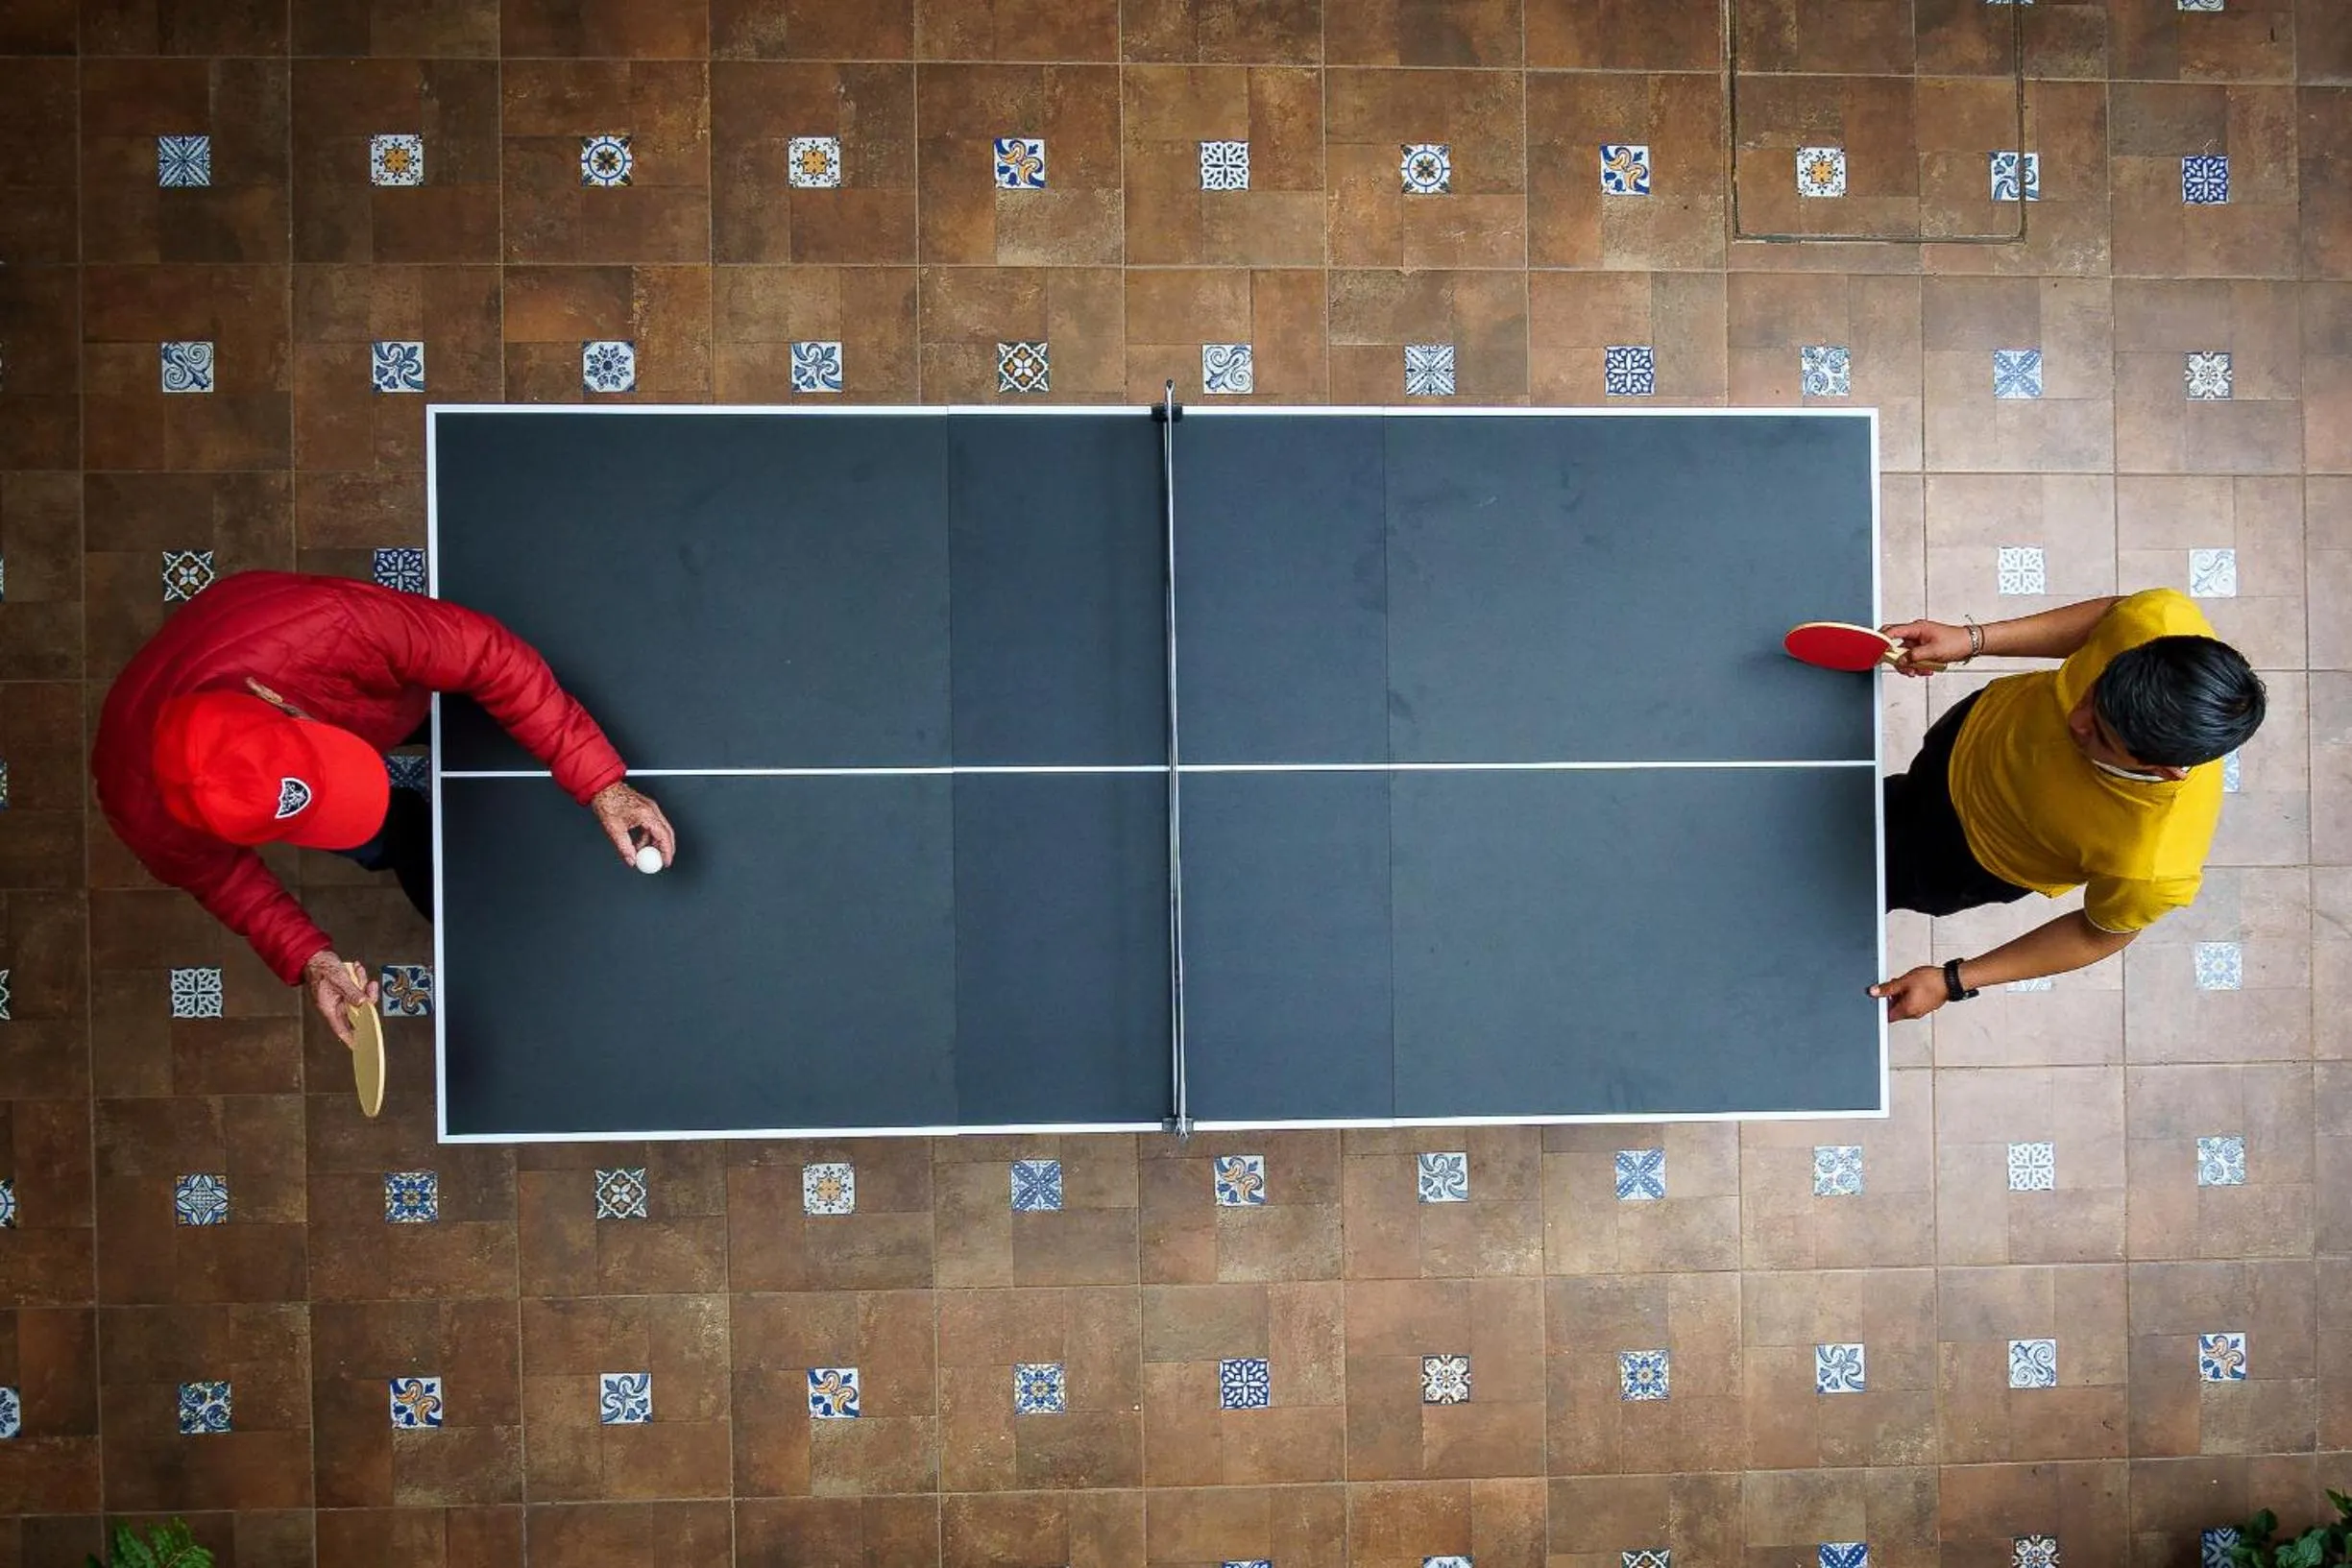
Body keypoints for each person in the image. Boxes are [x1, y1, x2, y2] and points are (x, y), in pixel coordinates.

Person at [93, 570, 677, 1047]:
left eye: (326, 774)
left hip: (337, 676)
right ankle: (404, 833)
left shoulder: (330, 624)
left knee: (463, 696)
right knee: (387, 838)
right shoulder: (146, 816)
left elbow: (490, 657)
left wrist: (603, 782)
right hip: (290, 706)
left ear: (275, 701)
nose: (346, 796)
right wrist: (310, 957)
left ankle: (415, 734)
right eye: (310, 811)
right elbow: (222, 881)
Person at [1865, 589, 2264, 1022]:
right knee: (1880, 801)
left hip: (1965, 858)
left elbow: (2096, 936)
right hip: (1970, 735)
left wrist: (1953, 980)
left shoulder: (2153, 861)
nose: (2075, 719)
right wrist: (1972, 639)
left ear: (2165, 770)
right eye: (2094, 692)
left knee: (1859, 882)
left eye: (2101, 737)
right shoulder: (2161, 624)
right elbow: (2111, 615)